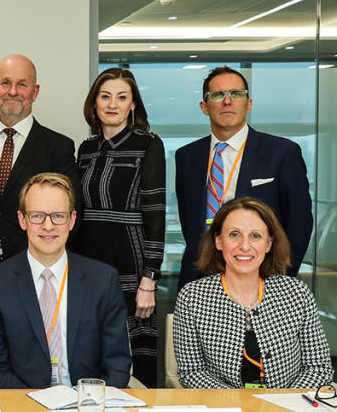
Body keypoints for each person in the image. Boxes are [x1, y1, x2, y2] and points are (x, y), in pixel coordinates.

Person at [0, 172, 131, 389]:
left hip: (86, 408)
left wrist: (85, 402)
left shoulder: (103, 280)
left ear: (72, 220)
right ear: (22, 219)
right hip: (24, 407)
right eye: (37, 216)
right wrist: (40, 404)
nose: (48, 226)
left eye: (58, 216)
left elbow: (118, 366)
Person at [175, 66, 313, 291]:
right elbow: (189, 224)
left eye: (237, 94)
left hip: (263, 280)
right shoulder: (186, 156)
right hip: (198, 279)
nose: (227, 101)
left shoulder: (282, 153)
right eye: (217, 95)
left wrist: (280, 280)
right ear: (204, 107)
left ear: (248, 104)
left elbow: (299, 225)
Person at [173, 197, 332, 389]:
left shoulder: (296, 293)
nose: (245, 246)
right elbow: (192, 372)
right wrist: (240, 403)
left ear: (268, 243)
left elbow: (319, 367)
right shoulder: (192, 297)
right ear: (218, 241)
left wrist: (281, 402)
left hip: (288, 410)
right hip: (226, 410)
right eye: (234, 234)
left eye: (255, 236)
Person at [74, 68, 165, 388]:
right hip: (88, 260)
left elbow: (156, 216)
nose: (113, 104)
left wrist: (149, 279)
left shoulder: (149, 144)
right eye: (105, 96)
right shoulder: (86, 149)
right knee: (88, 345)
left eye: (122, 97)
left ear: (133, 105)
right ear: (94, 103)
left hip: (131, 259)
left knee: (132, 354)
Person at [0, 54, 79, 269]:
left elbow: (70, 214)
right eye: (5, 83)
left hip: (33, 271)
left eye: (22, 84)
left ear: (35, 92)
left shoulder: (58, 147)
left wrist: (26, 263)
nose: (13, 91)